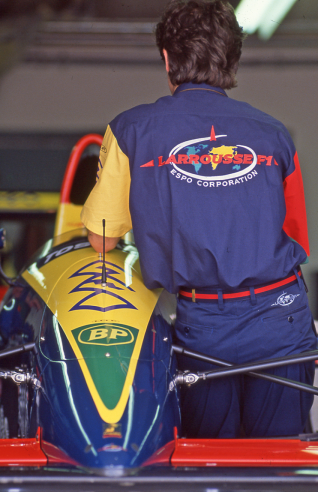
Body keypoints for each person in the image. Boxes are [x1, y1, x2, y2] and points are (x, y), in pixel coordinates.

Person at [81, 0, 317, 438]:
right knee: (282, 465)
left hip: (202, 326)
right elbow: (296, 234)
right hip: (281, 318)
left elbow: (100, 238)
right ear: (231, 59)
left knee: (207, 465)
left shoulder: (130, 131)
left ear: (167, 59)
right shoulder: (274, 134)